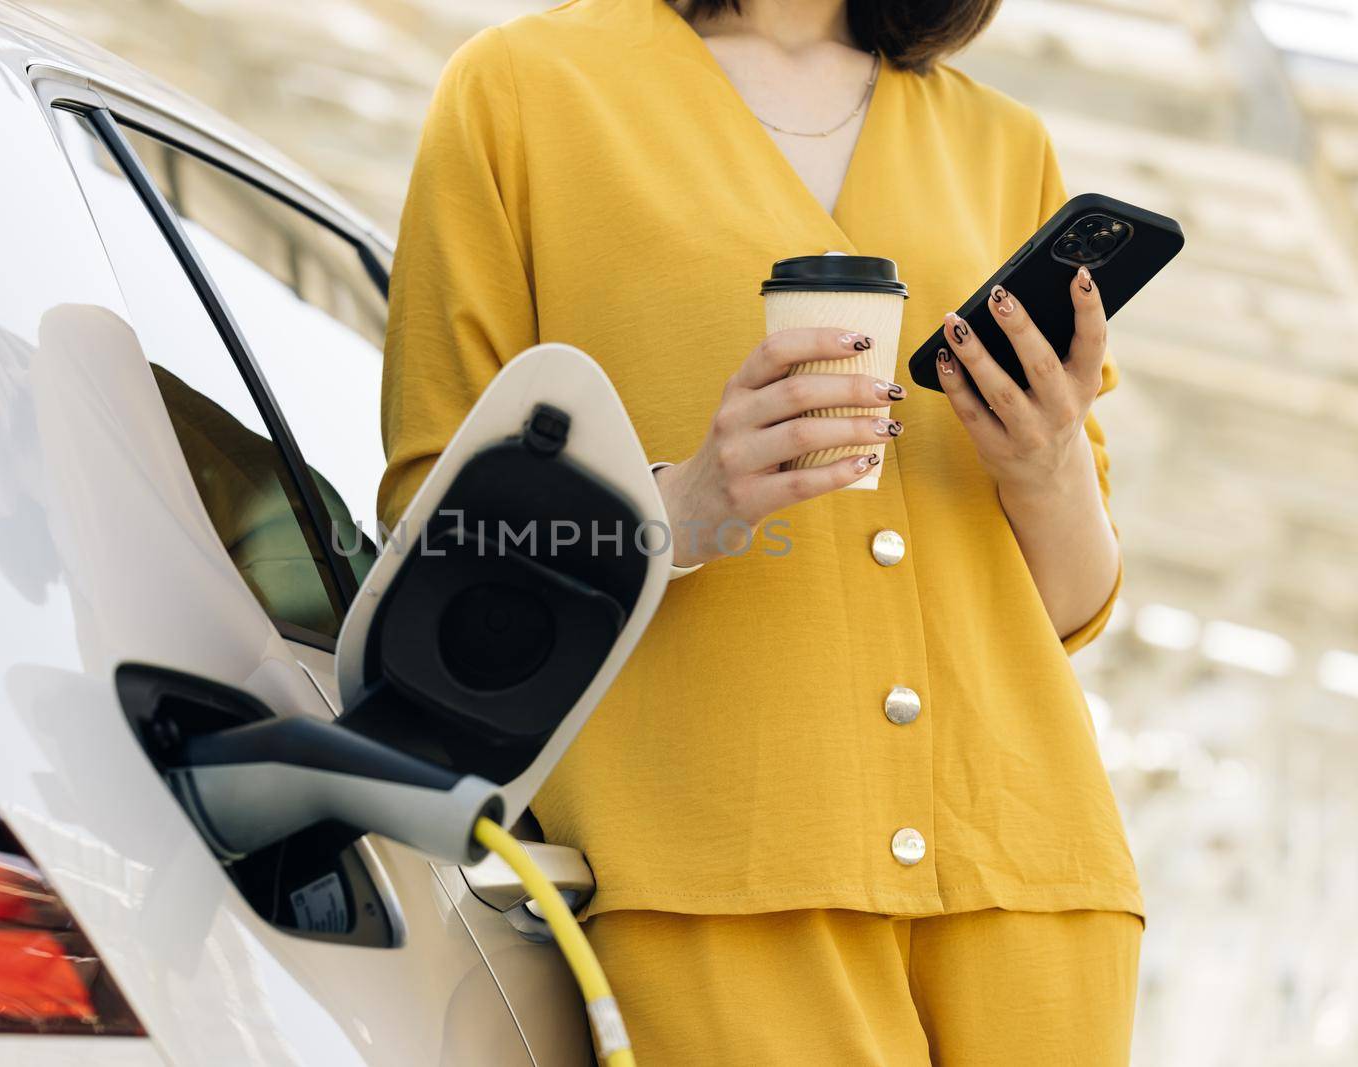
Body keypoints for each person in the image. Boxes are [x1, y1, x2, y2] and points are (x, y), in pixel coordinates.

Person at [378, 0, 1141, 1061]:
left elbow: (1070, 606)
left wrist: (1045, 465)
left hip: (1027, 874)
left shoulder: (1007, 145)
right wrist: (679, 507)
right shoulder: (521, 92)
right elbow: (430, 526)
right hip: (715, 863)